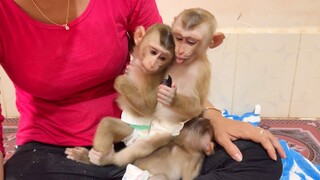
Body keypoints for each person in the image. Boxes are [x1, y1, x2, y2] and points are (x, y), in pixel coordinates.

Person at [0, 0, 285, 179]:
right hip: (57, 153)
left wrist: (212, 115)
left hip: (144, 134)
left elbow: (171, 67)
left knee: (259, 158)